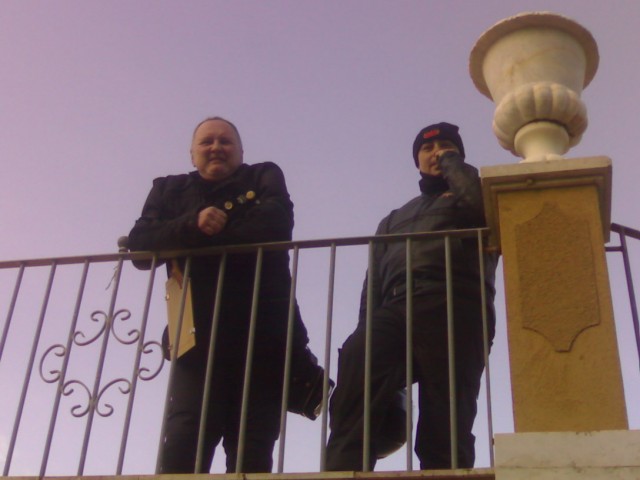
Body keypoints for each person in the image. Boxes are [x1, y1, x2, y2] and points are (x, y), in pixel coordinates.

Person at [128, 117, 326, 474]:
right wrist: (194, 223)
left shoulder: (264, 175)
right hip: (196, 340)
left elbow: (277, 224)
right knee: (185, 440)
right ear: (192, 154)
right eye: (207, 142)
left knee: (252, 449)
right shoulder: (168, 188)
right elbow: (140, 248)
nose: (216, 147)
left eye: (225, 141)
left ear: (241, 151)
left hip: (264, 337)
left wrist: (195, 238)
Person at [325, 122, 497, 471]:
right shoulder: (392, 219)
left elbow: (481, 209)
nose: (436, 152)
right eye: (427, 149)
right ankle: (343, 470)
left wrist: (452, 164)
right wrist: (365, 326)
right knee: (358, 358)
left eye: (446, 146)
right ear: (416, 160)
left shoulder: (471, 193)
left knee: (447, 416)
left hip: (455, 303)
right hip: (396, 304)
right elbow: (373, 282)